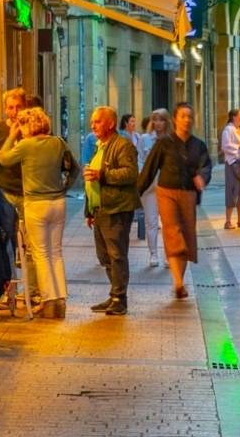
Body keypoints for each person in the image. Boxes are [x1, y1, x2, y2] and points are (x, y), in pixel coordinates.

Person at [139, 104, 213, 302]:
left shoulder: (199, 145)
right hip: (167, 192)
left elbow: (206, 165)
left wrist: (202, 178)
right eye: (183, 116)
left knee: (187, 236)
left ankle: (178, 281)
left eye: (190, 116)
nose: (187, 120)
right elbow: (149, 169)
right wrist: (135, 194)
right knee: (173, 232)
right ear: (175, 119)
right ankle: (179, 282)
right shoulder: (164, 143)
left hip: (189, 194)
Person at [11, 106, 77, 318]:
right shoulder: (58, 142)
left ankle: (49, 302)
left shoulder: (26, 145)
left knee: (40, 253)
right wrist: (65, 187)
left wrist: (11, 136)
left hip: (35, 204)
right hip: (58, 202)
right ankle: (61, 300)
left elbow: (2, 158)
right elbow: (74, 168)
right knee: (56, 252)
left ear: (30, 125)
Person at [85, 105, 142, 315]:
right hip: (101, 209)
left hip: (117, 208)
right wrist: (89, 210)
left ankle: (120, 298)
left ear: (110, 123)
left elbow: (130, 174)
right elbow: (93, 177)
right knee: (104, 256)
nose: (93, 125)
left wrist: (104, 175)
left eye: (97, 121)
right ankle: (114, 295)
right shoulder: (100, 145)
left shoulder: (123, 145)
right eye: (92, 121)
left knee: (117, 255)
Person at [0, 89, 33, 312]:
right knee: (7, 243)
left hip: (29, 192)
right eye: (10, 107)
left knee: (31, 245)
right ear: (5, 109)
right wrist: (4, 156)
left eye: (18, 107)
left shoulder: (32, 128)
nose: (14, 112)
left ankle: (33, 291)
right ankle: (8, 291)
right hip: (5, 192)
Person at [128, 111, 164, 271]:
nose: (157, 123)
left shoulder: (171, 139)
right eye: (154, 119)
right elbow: (139, 160)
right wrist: (143, 179)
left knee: (169, 223)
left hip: (167, 186)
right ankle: (153, 253)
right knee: (151, 221)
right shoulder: (144, 139)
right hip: (150, 186)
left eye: (161, 120)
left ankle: (169, 254)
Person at [218, 109, 240, 231]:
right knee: (232, 192)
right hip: (233, 163)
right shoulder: (228, 129)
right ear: (234, 117)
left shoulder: (238, 130)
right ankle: (228, 221)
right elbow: (225, 146)